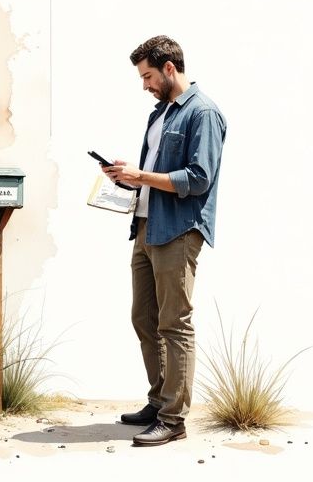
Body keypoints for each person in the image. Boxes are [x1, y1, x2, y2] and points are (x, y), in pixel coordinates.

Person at [102, 35, 226, 446]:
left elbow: (199, 177)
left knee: (175, 324)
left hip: (177, 230)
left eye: (149, 76)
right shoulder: (160, 115)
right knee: (144, 318)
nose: (145, 85)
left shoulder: (202, 113)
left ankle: (174, 419)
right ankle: (159, 401)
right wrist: (126, 175)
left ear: (170, 68)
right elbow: (153, 170)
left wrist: (141, 176)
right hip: (145, 228)